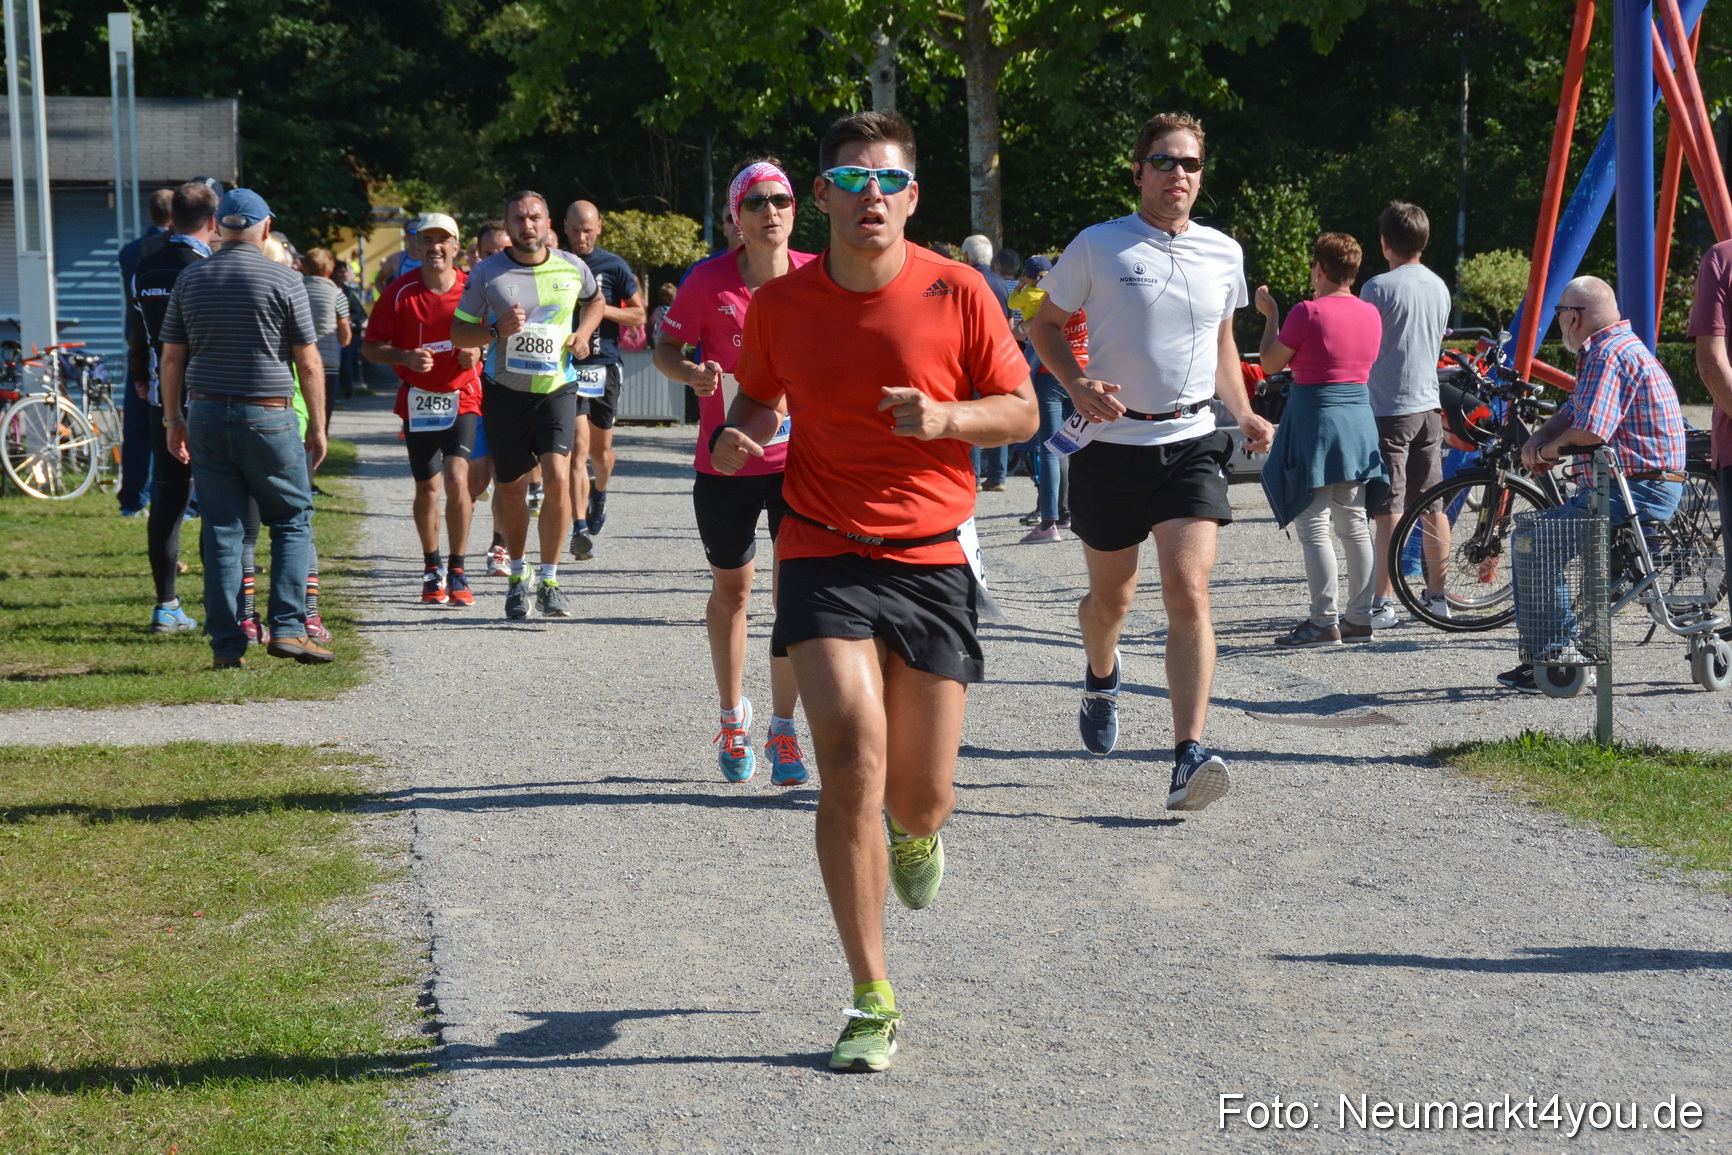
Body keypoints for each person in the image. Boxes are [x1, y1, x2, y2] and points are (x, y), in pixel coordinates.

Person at [715, 111, 1036, 1072]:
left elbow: (1020, 408)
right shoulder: (780, 304)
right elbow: (759, 394)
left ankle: (913, 829)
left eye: (888, 183)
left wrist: (943, 417)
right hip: (822, 549)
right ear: (821, 198)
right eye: (851, 183)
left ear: (912, 197)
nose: (872, 199)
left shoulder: (959, 289)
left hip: (933, 555)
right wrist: (740, 431)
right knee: (850, 753)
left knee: (921, 794)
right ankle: (870, 993)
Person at [1028, 111, 1273, 809]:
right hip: (1110, 445)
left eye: (1190, 164)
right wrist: (1076, 384)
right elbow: (1042, 325)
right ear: (1138, 171)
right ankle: (1102, 675)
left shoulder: (1224, 253)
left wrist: (1245, 409)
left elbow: (1223, 344)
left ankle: (1186, 753)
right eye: (1164, 162)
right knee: (1112, 600)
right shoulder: (1099, 246)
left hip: (1192, 441)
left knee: (1188, 591)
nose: (1178, 175)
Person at [655, 158, 815, 786]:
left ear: (795, 210)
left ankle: (783, 729)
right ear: (735, 216)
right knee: (735, 591)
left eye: (780, 200)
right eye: (756, 203)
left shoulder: (819, 277)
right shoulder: (707, 282)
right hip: (724, 465)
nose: (770, 212)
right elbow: (666, 348)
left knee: (794, 596)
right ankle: (731, 716)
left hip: (801, 464)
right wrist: (689, 373)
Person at [158, 188, 333, 668]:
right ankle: (291, 629)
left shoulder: (190, 280)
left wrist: (173, 418)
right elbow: (310, 363)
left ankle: (227, 646)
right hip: (269, 415)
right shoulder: (285, 280)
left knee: (222, 530)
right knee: (292, 521)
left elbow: (171, 356)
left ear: (218, 224)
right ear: (266, 228)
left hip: (207, 413)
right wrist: (317, 426)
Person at [1502, 276, 1686, 693]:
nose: (1560, 321)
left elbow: (1591, 431)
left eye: (1560, 312)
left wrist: (1551, 451)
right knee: (1542, 537)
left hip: (1637, 489)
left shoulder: (1608, 354)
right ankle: (1554, 645)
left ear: (1575, 316)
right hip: (1634, 485)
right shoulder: (1611, 348)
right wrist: (1539, 436)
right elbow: (1572, 411)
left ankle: (1555, 652)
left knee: (1534, 541)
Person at [451, 191, 603, 619]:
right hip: (505, 393)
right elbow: (459, 334)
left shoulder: (572, 267)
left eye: (535, 217)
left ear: (547, 221)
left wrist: (585, 333)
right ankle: (519, 575)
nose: (527, 225)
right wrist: (496, 330)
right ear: (507, 225)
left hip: (557, 388)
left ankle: (551, 579)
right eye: (518, 219)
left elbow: (596, 301)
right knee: (512, 487)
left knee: (557, 474)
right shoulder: (487, 272)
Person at [1254, 232, 1389, 648]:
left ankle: (1322, 621)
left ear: (1319, 269)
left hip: (1315, 419)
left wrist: (1271, 315)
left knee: (1314, 522)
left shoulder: (1306, 312)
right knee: (1354, 523)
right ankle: (1361, 617)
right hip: (1358, 420)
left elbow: (1268, 363)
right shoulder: (1371, 313)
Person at [363, 213, 485, 607]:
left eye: (442, 240)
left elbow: (497, 333)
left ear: (455, 246)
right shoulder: (399, 292)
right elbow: (370, 346)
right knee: (427, 488)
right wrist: (403, 357)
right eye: (427, 240)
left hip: (462, 394)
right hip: (418, 399)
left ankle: (459, 567)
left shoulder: (473, 288)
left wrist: (477, 351)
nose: (435, 247)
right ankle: (432, 566)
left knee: (456, 478)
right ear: (416, 247)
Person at [128, 180, 219, 634]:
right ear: (212, 221)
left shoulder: (145, 266)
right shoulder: (207, 269)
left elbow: (135, 330)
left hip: (161, 399)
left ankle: (166, 605)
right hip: (204, 396)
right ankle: (219, 605)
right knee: (217, 498)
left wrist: (140, 377)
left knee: (168, 499)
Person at [1361, 202, 1453, 627]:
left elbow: (1364, 348)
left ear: (1384, 243)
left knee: (1388, 506)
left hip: (1387, 407)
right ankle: (1438, 596)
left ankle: (1381, 601)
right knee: (1433, 503)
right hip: (1428, 404)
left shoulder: (1377, 288)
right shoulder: (1439, 286)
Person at [561, 200, 646, 551]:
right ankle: (579, 526)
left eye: (588, 229)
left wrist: (599, 307)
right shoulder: (556, 264)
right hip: (568, 367)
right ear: (565, 228)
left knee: (601, 453)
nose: (581, 236)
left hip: (605, 366)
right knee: (577, 448)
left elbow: (640, 314)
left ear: (599, 229)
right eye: (575, 230)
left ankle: (600, 492)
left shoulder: (614, 265)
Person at [1011, 254, 1082, 543]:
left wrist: (1020, 329)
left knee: (1050, 448)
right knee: (1070, 445)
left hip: (1049, 372)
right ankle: (1068, 514)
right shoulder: (1087, 295)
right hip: (1082, 372)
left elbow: (1033, 328)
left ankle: (1048, 522)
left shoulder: (1052, 297)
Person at [117, 188, 177, 516]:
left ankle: (132, 498)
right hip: (170, 346)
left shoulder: (129, 251)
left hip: (137, 343)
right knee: (170, 421)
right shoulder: (171, 248)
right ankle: (170, 495)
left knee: (136, 429)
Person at [961, 233, 1013, 493]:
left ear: (966, 257)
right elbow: (1011, 322)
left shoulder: (964, 280)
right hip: (1000, 356)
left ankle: (973, 474)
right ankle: (998, 477)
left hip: (971, 357)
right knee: (998, 416)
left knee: (971, 413)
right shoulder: (1002, 283)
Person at [300, 247, 353, 433]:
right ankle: (318, 453)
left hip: (297, 362)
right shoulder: (338, 296)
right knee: (322, 415)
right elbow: (345, 337)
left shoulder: (293, 290)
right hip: (328, 364)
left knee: (299, 413)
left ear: (303, 267)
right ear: (330, 271)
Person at [334, 262, 366, 402]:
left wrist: (348, 320)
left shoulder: (349, 292)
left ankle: (347, 393)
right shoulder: (327, 289)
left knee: (346, 364)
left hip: (348, 334)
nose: (342, 275)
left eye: (343, 272)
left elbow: (361, 314)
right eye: (339, 272)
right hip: (330, 335)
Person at [374, 222, 423, 295]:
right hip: (403, 304)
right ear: (406, 236)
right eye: (413, 232)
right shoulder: (396, 258)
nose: (416, 236)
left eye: (419, 232)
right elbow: (378, 281)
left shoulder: (430, 258)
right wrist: (388, 298)